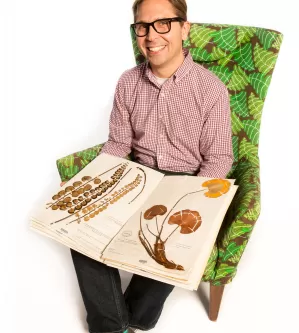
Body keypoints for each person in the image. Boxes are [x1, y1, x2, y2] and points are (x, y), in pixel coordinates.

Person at [66, 0, 234, 332]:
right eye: (142, 26)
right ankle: (112, 327)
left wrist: (190, 199)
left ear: (184, 28)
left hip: (188, 181)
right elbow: (117, 145)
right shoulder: (128, 82)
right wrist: (89, 185)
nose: (150, 35)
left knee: (172, 240)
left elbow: (218, 159)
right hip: (137, 176)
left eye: (162, 24)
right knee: (79, 226)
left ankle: (136, 318)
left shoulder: (210, 89)